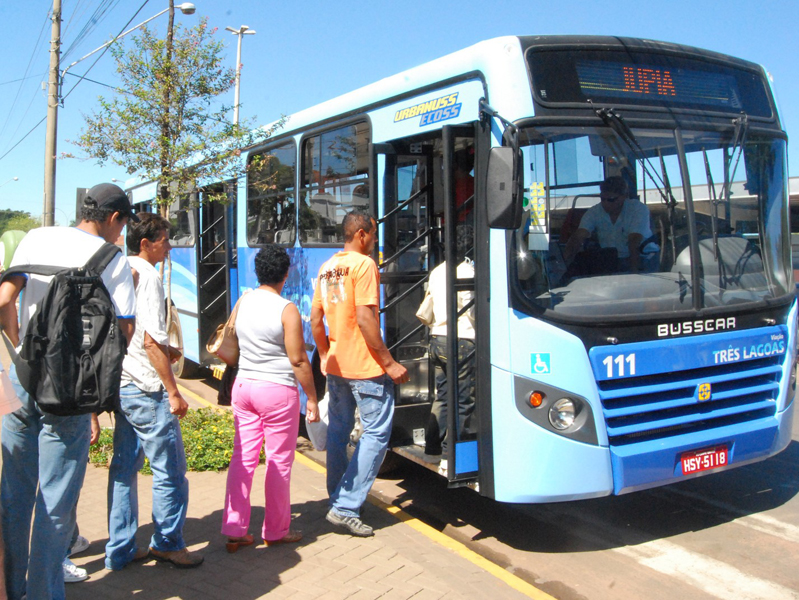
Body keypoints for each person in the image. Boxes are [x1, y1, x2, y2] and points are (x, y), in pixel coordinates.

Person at [0, 183, 136, 600]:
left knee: (14, 493)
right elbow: (124, 330)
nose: (121, 235)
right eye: (122, 226)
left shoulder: (36, 237)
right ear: (113, 218)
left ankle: (12, 588)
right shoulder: (112, 259)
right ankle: (43, 593)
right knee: (56, 499)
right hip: (70, 393)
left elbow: (5, 297)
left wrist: (18, 345)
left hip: (21, 381)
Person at [105, 213, 203, 571]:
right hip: (147, 389)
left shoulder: (120, 269)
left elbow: (130, 333)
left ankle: (121, 547)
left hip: (123, 384)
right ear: (146, 243)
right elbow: (150, 342)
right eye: (164, 239)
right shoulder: (147, 275)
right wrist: (173, 391)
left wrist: (167, 351)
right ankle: (168, 543)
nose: (170, 245)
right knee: (170, 472)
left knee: (123, 470)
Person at [310, 210, 409, 537]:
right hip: (365, 367)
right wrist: (389, 363)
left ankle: (337, 498)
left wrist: (325, 355)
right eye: (374, 234)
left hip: (337, 365)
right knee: (377, 434)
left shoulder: (327, 269)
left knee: (338, 431)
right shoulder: (365, 265)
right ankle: (346, 505)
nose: (376, 240)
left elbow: (315, 320)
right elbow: (366, 319)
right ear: (362, 234)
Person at [221, 245, 320, 551]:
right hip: (276, 392)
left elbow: (233, 337)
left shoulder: (245, 300)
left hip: (244, 388)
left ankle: (235, 527)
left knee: (242, 457)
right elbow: (299, 360)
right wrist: (313, 398)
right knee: (279, 461)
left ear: (258, 271)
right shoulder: (286, 309)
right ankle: (275, 530)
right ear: (286, 274)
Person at [423, 225, 476, 476]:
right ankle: (451, 453)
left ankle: (432, 444)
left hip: (437, 339)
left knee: (442, 394)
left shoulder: (436, 271)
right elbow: (472, 311)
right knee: (464, 399)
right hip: (462, 340)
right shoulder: (467, 270)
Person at [563, 176, 652, 273]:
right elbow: (578, 236)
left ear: (624, 196)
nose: (605, 203)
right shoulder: (594, 211)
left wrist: (635, 274)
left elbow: (634, 241)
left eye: (611, 199)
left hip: (643, 257)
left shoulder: (638, 209)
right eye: (602, 199)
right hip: (611, 260)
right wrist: (563, 266)